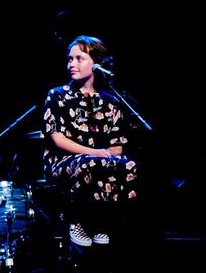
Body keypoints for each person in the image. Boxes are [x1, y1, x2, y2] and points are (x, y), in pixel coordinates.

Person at [42, 35, 138, 247]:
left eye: (79, 59)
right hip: (63, 161)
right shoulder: (57, 95)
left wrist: (107, 157)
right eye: (70, 59)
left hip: (98, 160)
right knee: (89, 163)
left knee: (128, 165)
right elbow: (56, 138)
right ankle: (78, 221)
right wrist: (94, 153)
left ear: (96, 65)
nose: (71, 64)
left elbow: (117, 147)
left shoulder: (111, 102)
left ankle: (104, 222)